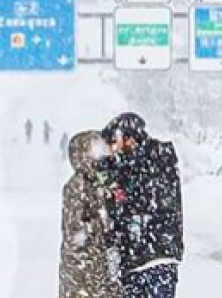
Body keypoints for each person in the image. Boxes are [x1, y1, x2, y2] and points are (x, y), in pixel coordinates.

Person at [101, 112, 183, 298]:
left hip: (152, 255)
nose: (113, 149)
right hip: (139, 257)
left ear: (129, 138)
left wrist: (116, 179)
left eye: (115, 141)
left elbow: (146, 202)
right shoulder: (133, 165)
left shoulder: (156, 160)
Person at [59, 131, 123, 298]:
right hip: (84, 273)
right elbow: (76, 231)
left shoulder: (99, 183)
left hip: (98, 270)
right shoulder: (78, 186)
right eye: (96, 149)